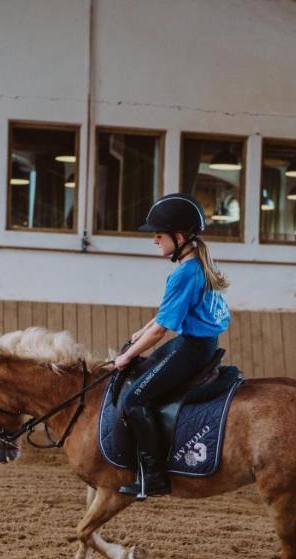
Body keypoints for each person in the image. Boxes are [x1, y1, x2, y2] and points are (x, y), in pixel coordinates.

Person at [113, 193, 232, 499]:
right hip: (198, 343)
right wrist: (140, 332)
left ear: (178, 237)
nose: (155, 240)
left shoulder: (183, 274)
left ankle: (154, 476)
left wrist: (126, 355)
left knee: (134, 399)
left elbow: (162, 330)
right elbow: (163, 317)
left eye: (158, 235)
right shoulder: (198, 265)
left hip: (191, 348)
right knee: (143, 373)